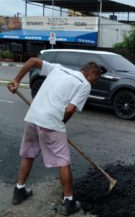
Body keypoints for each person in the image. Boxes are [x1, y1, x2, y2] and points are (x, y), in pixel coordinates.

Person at [7, 57, 102, 216]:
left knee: (28, 154)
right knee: (63, 161)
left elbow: (32, 61)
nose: (94, 83)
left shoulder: (58, 68)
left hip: (33, 117)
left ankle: (19, 190)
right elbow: (70, 109)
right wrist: (61, 123)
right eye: (96, 78)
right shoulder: (84, 85)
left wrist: (16, 80)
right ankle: (69, 201)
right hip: (51, 122)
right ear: (91, 72)